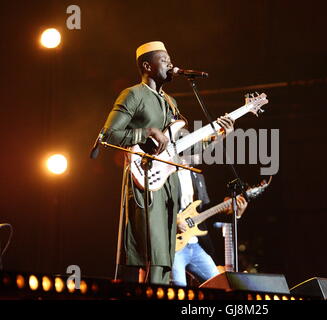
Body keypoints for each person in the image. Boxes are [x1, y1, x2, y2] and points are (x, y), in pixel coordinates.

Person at [100, 41, 234, 284]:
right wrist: (148, 132)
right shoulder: (133, 94)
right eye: (164, 60)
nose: (171, 64)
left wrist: (216, 136)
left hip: (170, 183)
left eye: (170, 59)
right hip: (146, 183)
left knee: (166, 256)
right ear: (147, 66)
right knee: (155, 253)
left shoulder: (171, 102)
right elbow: (108, 135)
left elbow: (178, 149)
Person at [172, 165, 248, 287]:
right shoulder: (166, 172)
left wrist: (234, 213)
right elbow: (156, 207)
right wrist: (173, 220)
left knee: (219, 285)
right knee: (178, 288)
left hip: (195, 244)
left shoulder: (197, 175)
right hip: (173, 246)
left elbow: (204, 211)